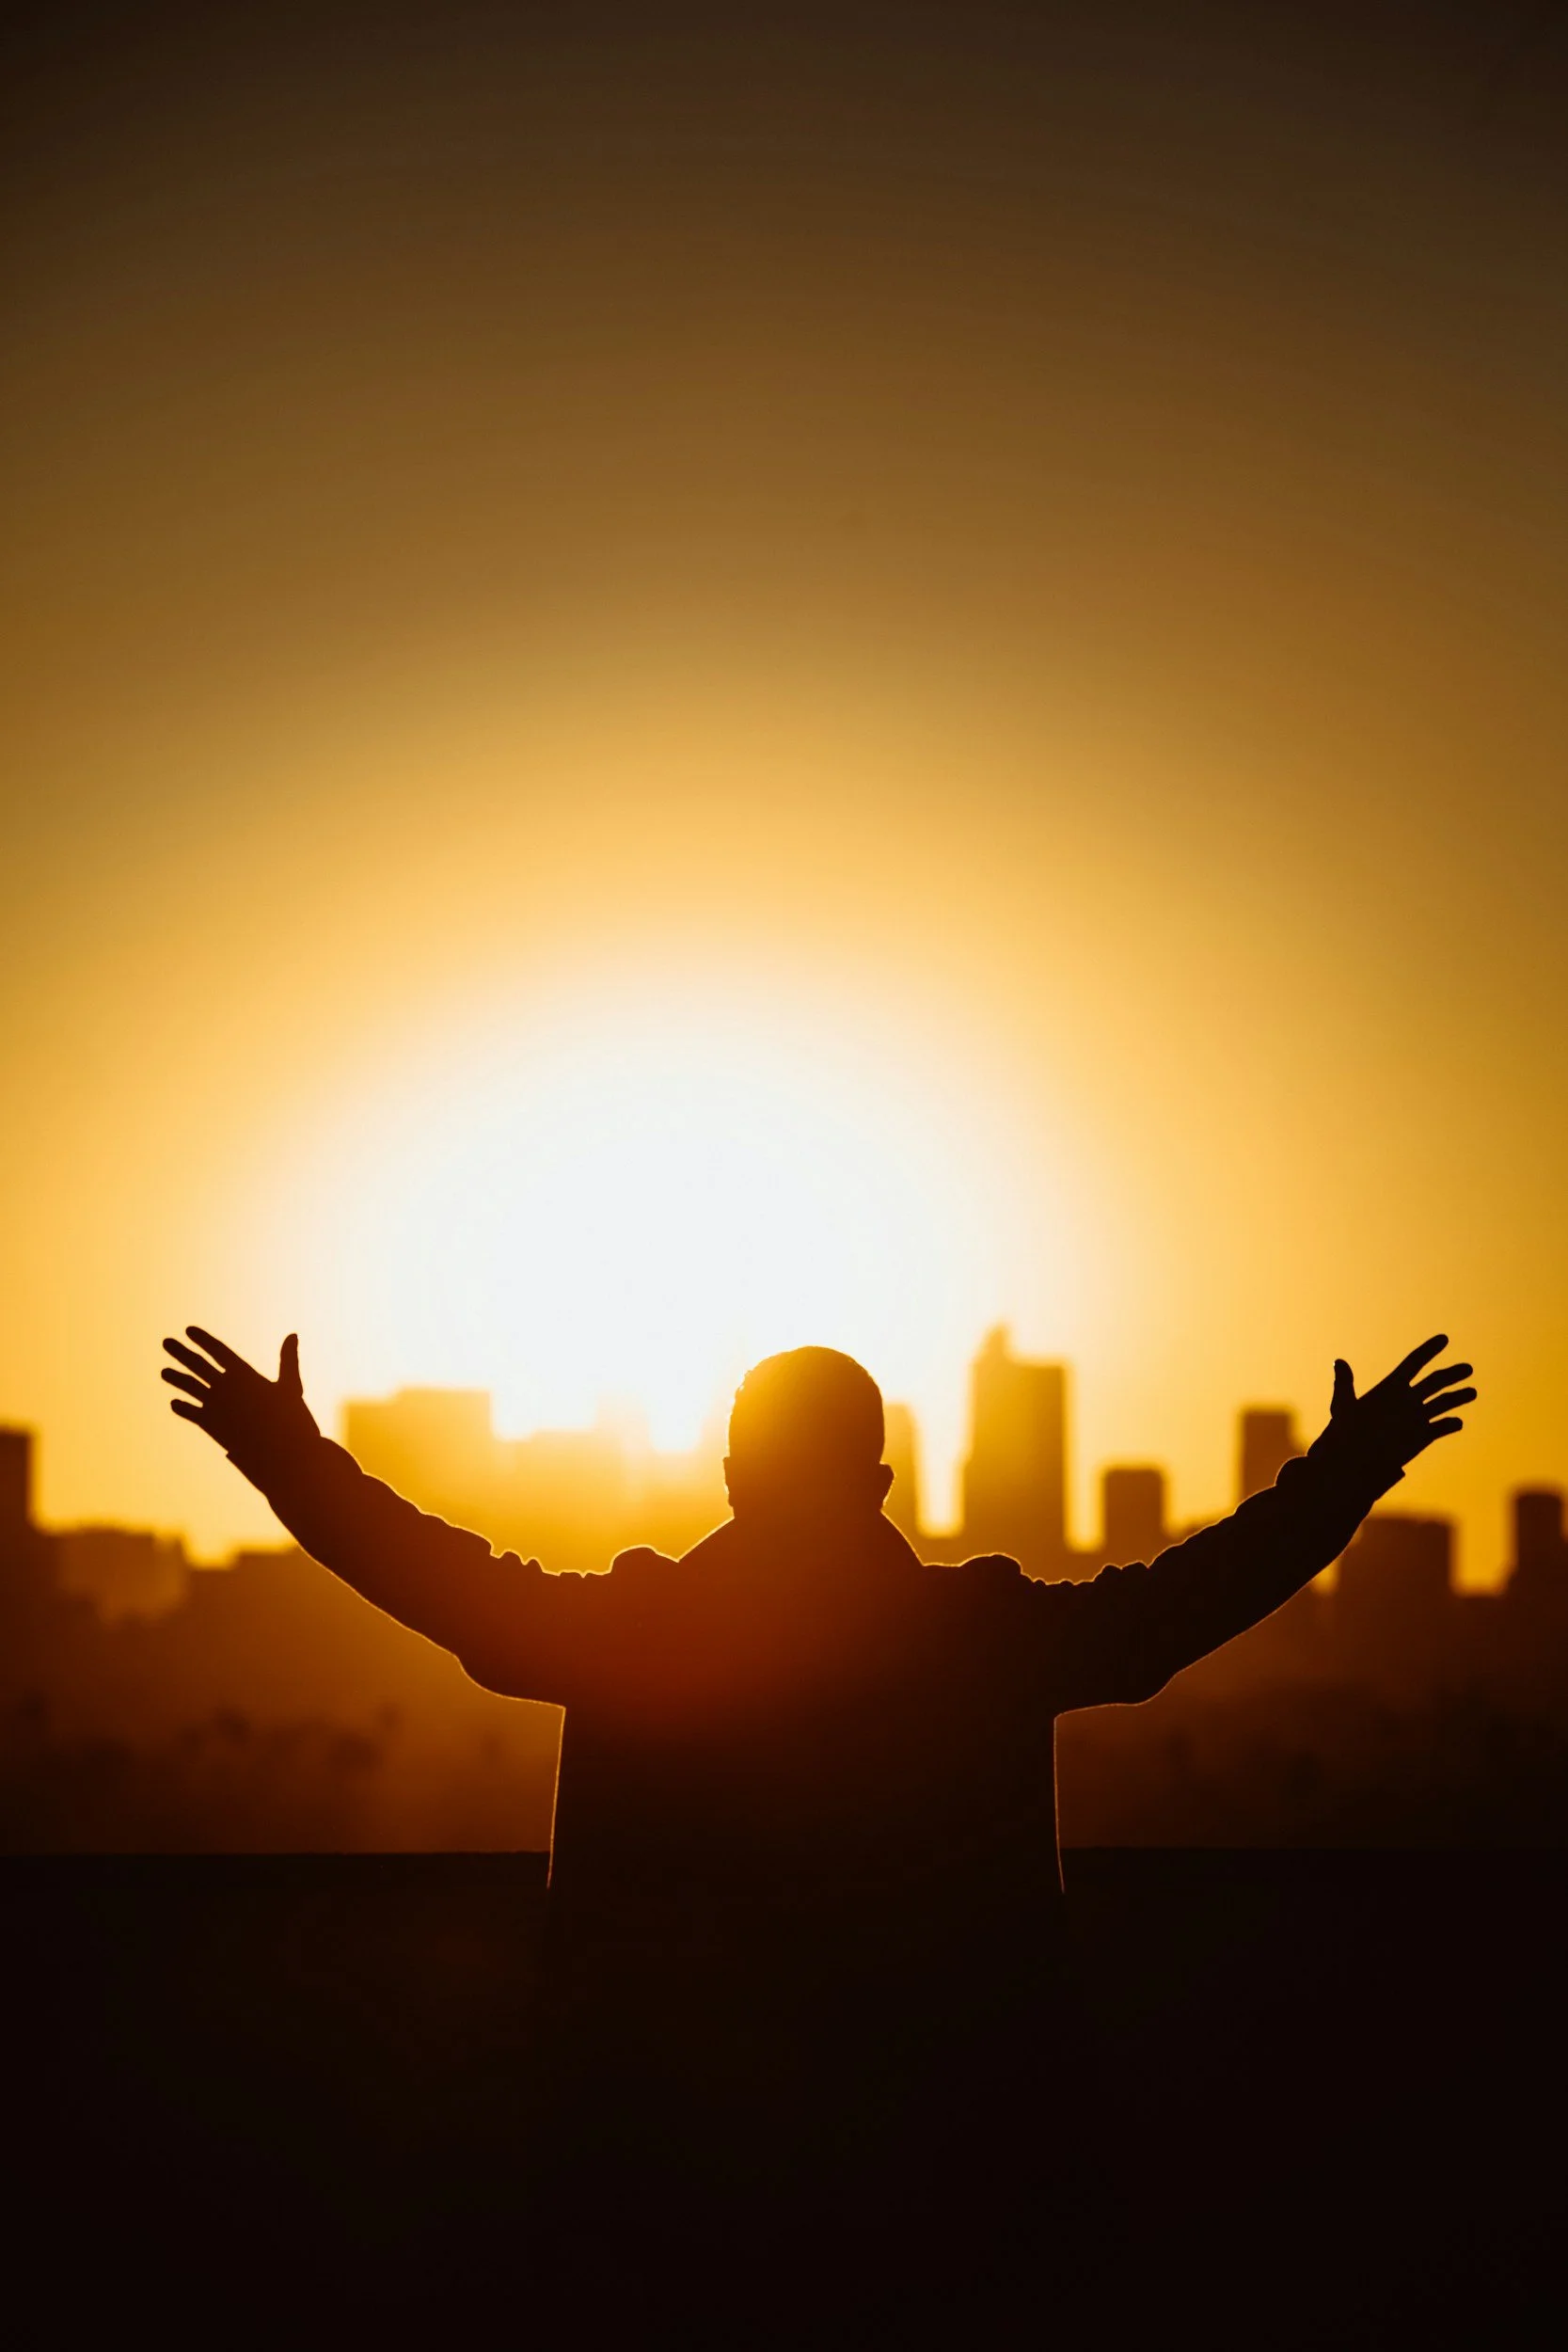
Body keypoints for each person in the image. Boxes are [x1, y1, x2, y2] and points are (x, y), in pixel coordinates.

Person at [161, 1324, 1472, 2331]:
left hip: (657, 2185)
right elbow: (1179, 1605)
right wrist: (1342, 1476)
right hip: (961, 2175)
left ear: (731, 1475)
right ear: (882, 1476)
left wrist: (285, 1456)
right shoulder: (978, 1638)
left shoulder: (640, 1636)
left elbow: (433, 1577)